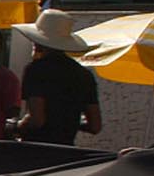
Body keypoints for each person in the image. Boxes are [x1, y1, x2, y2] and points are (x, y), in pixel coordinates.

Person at [13, 9, 101, 146]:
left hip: (37, 149)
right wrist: (69, 122)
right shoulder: (84, 75)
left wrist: (16, 126)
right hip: (66, 150)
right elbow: (95, 126)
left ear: (37, 41)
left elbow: (37, 120)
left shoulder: (36, 70)